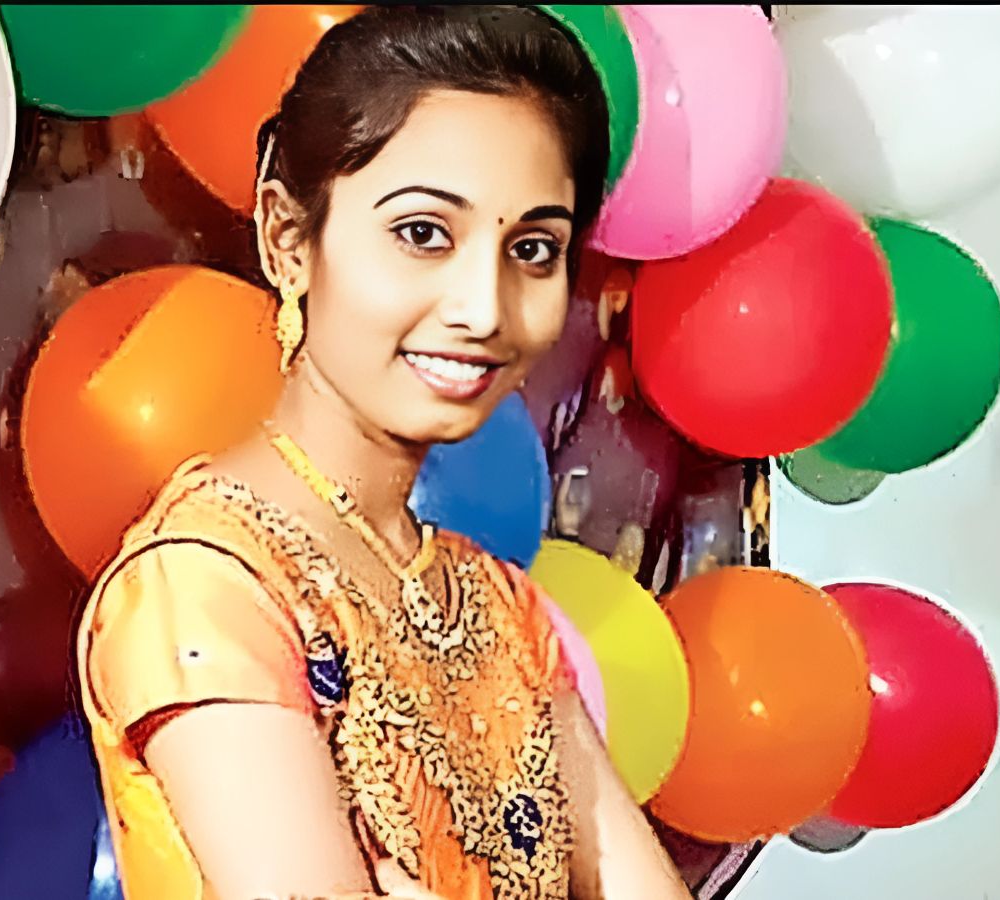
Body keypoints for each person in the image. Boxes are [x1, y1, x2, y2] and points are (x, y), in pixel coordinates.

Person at [75, 6, 692, 898]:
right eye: (423, 234)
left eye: (532, 249)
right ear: (290, 239)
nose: (482, 308)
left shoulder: (496, 605)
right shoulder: (207, 584)